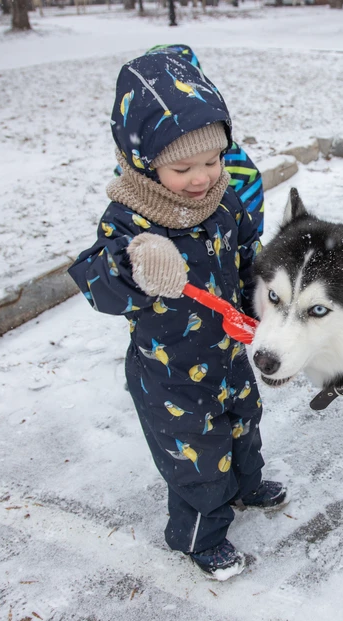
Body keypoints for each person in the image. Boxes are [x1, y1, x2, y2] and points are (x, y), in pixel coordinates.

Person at [68, 44, 285, 581]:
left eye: (212, 160)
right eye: (182, 167)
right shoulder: (131, 218)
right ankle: (197, 537)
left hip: (230, 352)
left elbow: (245, 257)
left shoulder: (224, 199)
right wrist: (135, 264)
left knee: (243, 425)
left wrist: (266, 299)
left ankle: (246, 484)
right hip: (170, 372)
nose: (201, 178)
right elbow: (96, 282)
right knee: (197, 459)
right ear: (145, 162)